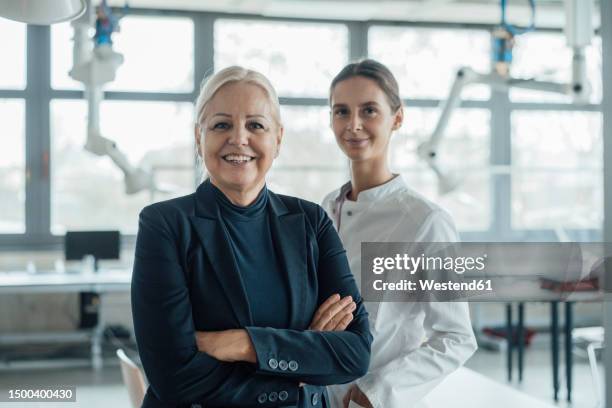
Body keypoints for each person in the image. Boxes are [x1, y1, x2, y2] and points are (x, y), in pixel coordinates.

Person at [131, 66, 372, 407]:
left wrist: (243, 344)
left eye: (256, 125)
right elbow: (173, 377)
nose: (239, 138)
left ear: (278, 139)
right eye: (221, 125)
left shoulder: (310, 221)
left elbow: (356, 354)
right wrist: (299, 367)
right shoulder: (165, 225)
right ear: (199, 138)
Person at [322, 59, 478, 408]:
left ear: (398, 117)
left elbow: (456, 336)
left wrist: (374, 392)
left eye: (369, 110)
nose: (354, 124)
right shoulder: (325, 209)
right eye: (341, 111)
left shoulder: (426, 221)